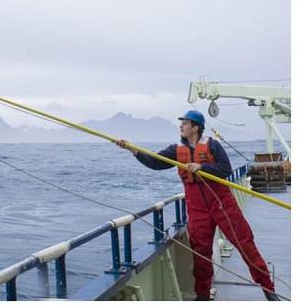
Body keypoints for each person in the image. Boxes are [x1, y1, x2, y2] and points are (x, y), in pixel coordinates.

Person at [117, 110, 279, 301]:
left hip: (221, 203)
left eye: (184, 123)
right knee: (201, 254)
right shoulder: (176, 150)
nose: (181, 126)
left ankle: (269, 290)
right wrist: (134, 150)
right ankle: (202, 296)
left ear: (195, 127)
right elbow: (156, 162)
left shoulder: (213, 145)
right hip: (196, 208)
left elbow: (225, 169)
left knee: (245, 245)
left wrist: (203, 167)